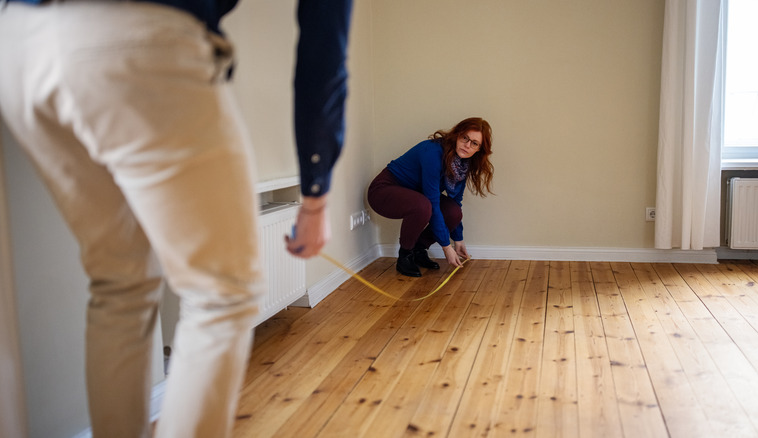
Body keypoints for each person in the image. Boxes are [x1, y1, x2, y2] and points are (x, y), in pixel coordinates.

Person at [0, 0, 352, 437]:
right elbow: (325, 49)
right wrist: (316, 196)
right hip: (137, 41)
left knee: (119, 285)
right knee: (223, 294)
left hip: (19, 48)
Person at [367, 117, 494, 277]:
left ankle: (419, 250)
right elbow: (432, 202)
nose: (467, 145)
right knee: (423, 206)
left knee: (453, 211)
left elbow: (455, 201)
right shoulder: (433, 152)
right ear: (457, 135)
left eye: (474, 143)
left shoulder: (462, 165)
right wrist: (446, 247)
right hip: (384, 191)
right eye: (465, 138)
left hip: (418, 196)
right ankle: (405, 256)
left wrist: (458, 240)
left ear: (479, 149)